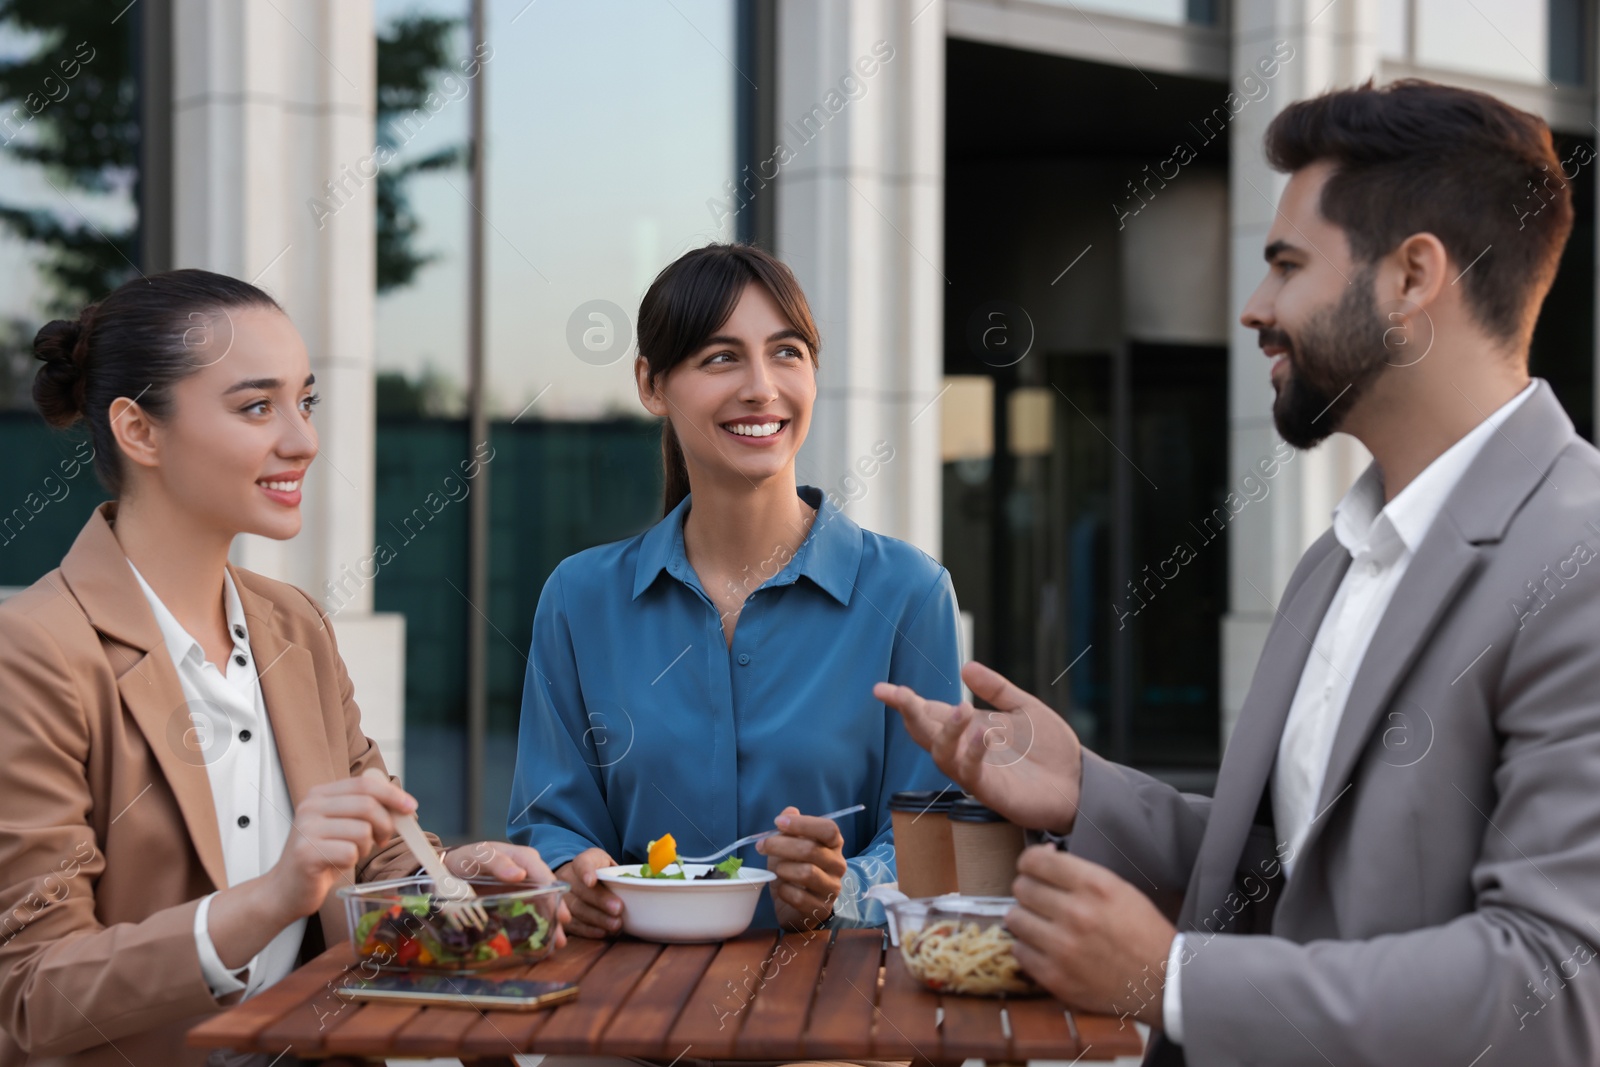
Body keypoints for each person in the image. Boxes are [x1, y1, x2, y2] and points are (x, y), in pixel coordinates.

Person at [877, 79, 1600, 1066]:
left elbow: (1551, 981)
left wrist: (1168, 977)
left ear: (1411, 277)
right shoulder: (1343, 554)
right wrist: (1084, 789)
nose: (1257, 308)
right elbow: (1292, 872)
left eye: (1287, 265)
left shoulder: (1580, 556)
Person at [0, 270, 567, 1067]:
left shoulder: (294, 623)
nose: (301, 440)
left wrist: (453, 874)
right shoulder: (34, 651)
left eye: (306, 402)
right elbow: (33, 989)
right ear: (139, 430)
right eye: (256, 406)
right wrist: (270, 899)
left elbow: (372, 853)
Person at [508, 243, 958, 935]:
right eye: (721, 357)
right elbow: (549, 821)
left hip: (836, 1023)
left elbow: (938, 843)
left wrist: (844, 884)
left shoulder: (908, 593)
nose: (761, 387)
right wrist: (571, 870)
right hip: (629, 1014)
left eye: (786, 352)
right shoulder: (578, 599)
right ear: (651, 384)